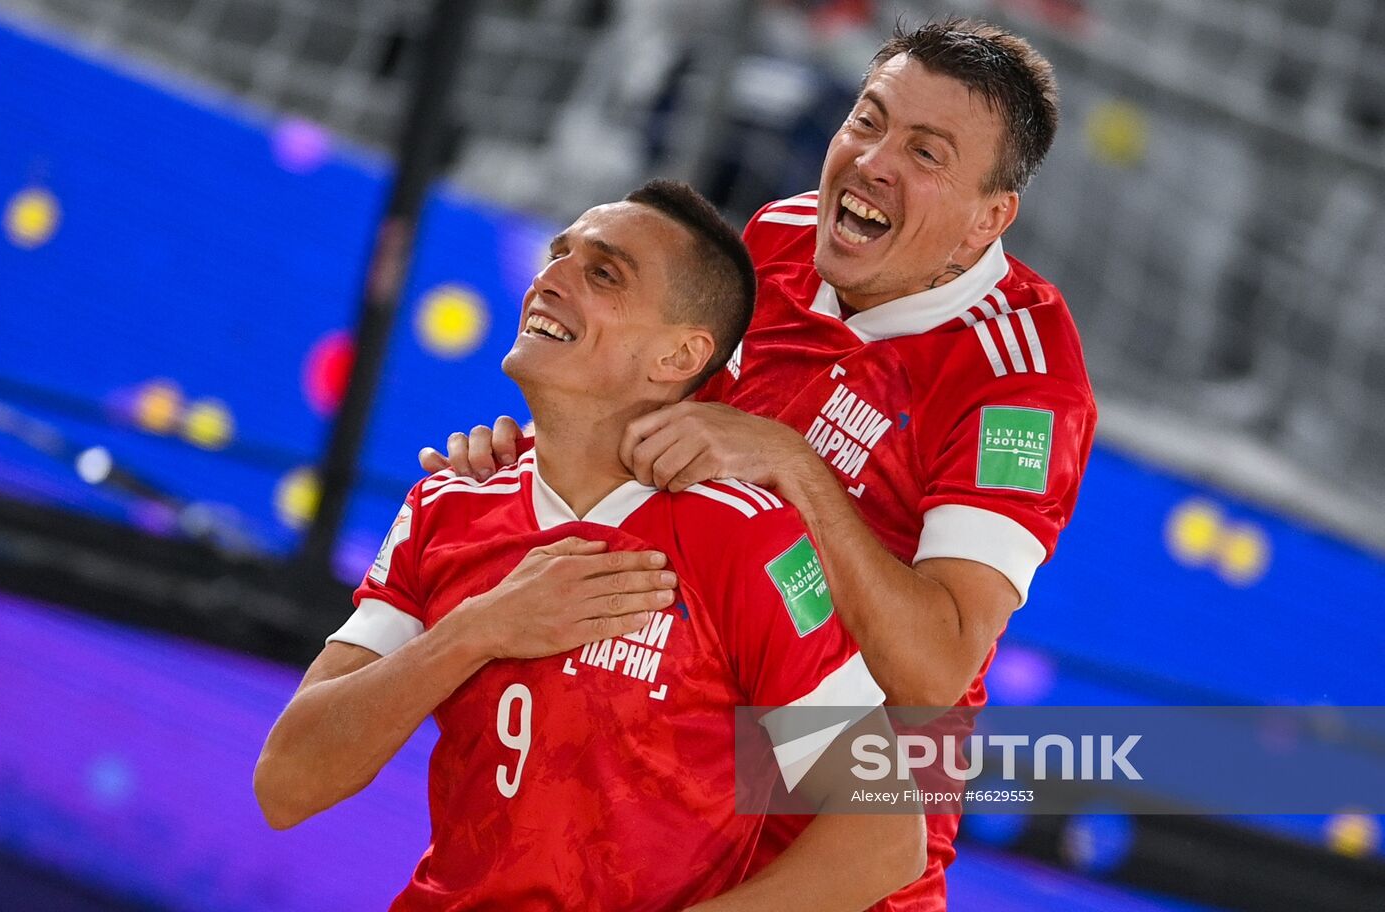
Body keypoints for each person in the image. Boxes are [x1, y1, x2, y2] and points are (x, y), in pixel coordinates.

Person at [422, 19, 1097, 912]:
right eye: (868, 119)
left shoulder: (1021, 379)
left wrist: (791, 464)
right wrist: (533, 469)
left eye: (925, 153)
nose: (872, 162)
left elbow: (937, 669)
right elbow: (655, 448)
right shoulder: (778, 239)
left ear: (989, 218)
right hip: (663, 804)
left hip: (840, 853)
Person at [256, 179, 923, 911]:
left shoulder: (750, 539)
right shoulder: (447, 503)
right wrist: (478, 631)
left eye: (601, 273)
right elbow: (286, 784)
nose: (550, 279)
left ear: (680, 356)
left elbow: (884, 836)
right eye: (557, 255)